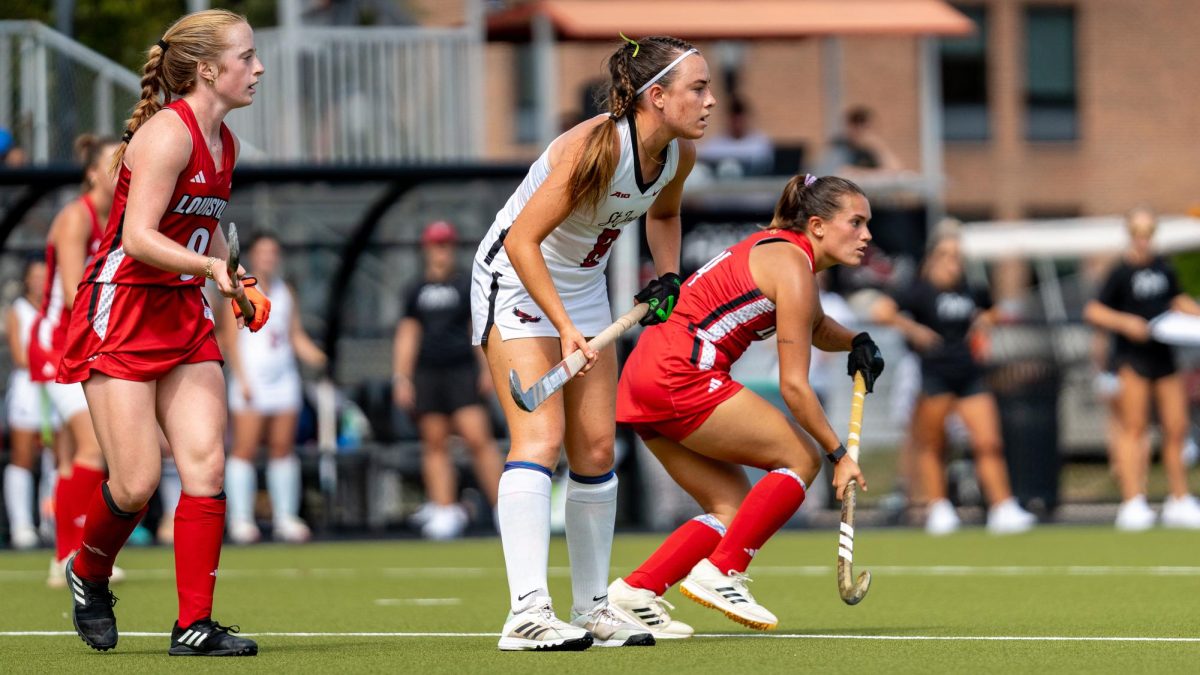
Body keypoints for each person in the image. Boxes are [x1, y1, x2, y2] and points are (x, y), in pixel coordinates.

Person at [470, 34, 714, 651]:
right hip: (516, 278)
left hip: (582, 286)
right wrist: (567, 327)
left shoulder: (678, 155)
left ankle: (592, 607)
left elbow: (663, 214)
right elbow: (523, 241)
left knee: (597, 448)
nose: (711, 101)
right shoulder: (593, 149)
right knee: (540, 437)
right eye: (699, 89)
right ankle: (526, 612)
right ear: (656, 97)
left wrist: (667, 274)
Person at [55, 9, 266, 656]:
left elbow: (195, 241)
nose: (258, 69)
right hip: (121, 308)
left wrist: (235, 277)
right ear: (208, 70)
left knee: (206, 461)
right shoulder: (166, 136)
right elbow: (136, 239)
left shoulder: (224, 142)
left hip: (181, 312)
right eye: (247, 57)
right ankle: (87, 571)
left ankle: (194, 623)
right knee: (137, 482)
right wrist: (209, 265)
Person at [602, 175, 881, 636]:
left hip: (644, 378)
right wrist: (839, 456)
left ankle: (636, 591)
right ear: (816, 225)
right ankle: (722, 571)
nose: (867, 235)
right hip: (682, 374)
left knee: (730, 507)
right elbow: (794, 386)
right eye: (856, 222)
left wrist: (857, 340)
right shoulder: (792, 267)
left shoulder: (783, 255)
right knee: (799, 457)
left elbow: (812, 324)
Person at [871, 234, 1036, 536]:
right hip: (935, 373)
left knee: (988, 441)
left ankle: (1003, 506)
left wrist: (986, 320)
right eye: (946, 255)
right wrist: (915, 330)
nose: (953, 263)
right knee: (934, 444)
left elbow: (994, 309)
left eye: (958, 257)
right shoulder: (919, 290)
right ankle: (939, 506)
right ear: (933, 258)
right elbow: (880, 311)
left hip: (970, 374)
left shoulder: (971, 289)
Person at [29, 134, 119, 586]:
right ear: (90, 173)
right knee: (94, 447)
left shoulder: (119, 216)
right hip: (58, 342)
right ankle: (70, 556)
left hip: (87, 339)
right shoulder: (75, 216)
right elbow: (71, 294)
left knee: (78, 456)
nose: (124, 170)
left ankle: (65, 557)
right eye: (113, 163)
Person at [1084, 207, 1200, 530]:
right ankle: (1133, 500)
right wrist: (1126, 323)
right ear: (1129, 234)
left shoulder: (1164, 267)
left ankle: (1179, 498)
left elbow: (1176, 301)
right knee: (1134, 429)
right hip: (1132, 358)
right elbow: (1094, 310)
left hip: (1164, 356)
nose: (1143, 239)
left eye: (1148, 233)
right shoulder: (1119, 272)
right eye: (1137, 232)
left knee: (1176, 428)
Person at [393, 220, 503, 540]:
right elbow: (407, 335)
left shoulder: (464, 286)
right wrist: (402, 377)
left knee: (477, 438)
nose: (441, 251)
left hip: (461, 371)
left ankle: (502, 509)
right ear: (427, 249)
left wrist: (486, 368)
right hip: (428, 373)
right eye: (435, 245)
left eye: (446, 245)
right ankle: (444, 509)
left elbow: (478, 328)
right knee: (435, 442)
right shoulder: (415, 290)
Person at [220, 232, 326, 544]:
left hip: (284, 380)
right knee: (245, 449)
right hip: (252, 381)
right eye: (263, 252)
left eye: (273, 252)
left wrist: (319, 358)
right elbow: (230, 339)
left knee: (283, 448)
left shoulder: (285, 291)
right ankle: (241, 519)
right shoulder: (239, 287)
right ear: (252, 255)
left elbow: (294, 335)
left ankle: (285, 517)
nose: (269, 257)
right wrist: (242, 379)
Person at [5, 258, 57, 549]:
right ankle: (21, 525)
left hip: (56, 388)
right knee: (23, 458)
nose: (40, 281)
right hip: (29, 388)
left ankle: (51, 522)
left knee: (58, 458)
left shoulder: (57, 307)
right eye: (35, 276)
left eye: (45, 275)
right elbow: (20, 356)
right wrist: (49, 361)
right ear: (27, 280)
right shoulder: (18, 310)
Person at [695, 97, 774, 177]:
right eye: (734, 120)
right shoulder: (714, 144)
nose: (738, 124)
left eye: (740, 120)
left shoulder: (760, 143)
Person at [825, 106, 904, 176]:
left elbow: (896, 171)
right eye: (855, 124)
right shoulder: (839, 146)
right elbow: (835, 173)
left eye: (863, 124)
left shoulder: (875, 148)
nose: (859, 129)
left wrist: (878, 147)